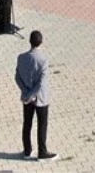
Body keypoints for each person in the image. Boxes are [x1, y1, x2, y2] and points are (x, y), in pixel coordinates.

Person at [15, 30, 57, 160]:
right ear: (41, 42)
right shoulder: (43, 60)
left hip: (27, 98)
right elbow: (41, 83)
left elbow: (17, 77)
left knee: (27, 123)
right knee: (42, 124)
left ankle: (27, 150)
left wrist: (26, 94)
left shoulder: (21, 57)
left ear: (30, 41)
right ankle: (42, 152)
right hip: (40, 98)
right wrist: (32, 94)